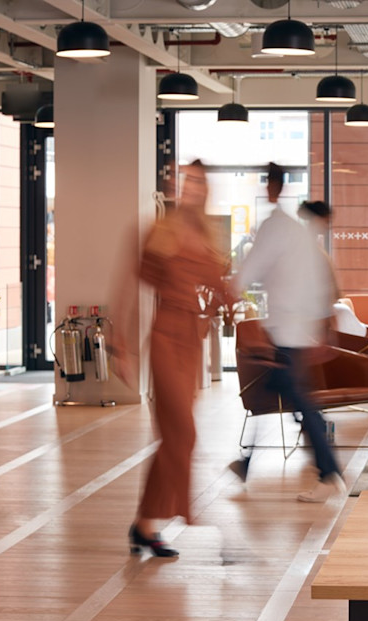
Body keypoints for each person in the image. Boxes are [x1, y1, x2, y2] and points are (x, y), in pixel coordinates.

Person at [114, 161, 230, 558]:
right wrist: (121, 345)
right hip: (164, 336)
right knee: (181, 429)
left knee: (178, 435)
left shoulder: (208, 236)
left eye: (199, 181)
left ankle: (145, 523)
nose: (192, 188)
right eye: (187, 181)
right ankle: (168, 514)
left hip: (191, 342)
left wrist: (234, 310)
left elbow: (220, 288)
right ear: (177, 187)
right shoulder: (158, 231)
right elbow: (129, 288)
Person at [236, 166, 344, 502]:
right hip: (288, 331)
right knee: (279, 394)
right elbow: (317, 287)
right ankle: (246, 463)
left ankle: (328, 474)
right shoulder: (296, 235)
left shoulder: (277, 227)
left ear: (272, 187)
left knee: (301, 403)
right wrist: (322, 332)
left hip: (287, 332)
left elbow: (252, 269)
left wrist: (230, 292)